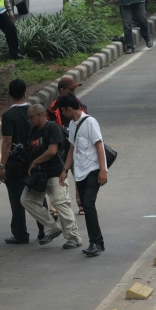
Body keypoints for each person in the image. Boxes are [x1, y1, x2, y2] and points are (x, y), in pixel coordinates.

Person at [20, 104, 82, 249]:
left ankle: (74, 237)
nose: (29, 120)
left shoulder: (52, 128)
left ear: (41, 115)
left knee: (61, 203)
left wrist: (35, 162)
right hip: (38, 176)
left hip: (55, 173)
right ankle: (52, 227)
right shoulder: (33, 131)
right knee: (26, 200)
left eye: (31, 117)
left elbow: (52, 151)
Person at [58, 94, 107, 257]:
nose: (63, 115)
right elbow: (72, 148)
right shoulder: (72, 124)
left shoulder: (90, 122)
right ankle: (96, 242)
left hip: (93, 170)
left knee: (88, 203)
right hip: (80, 173)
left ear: (69, 109)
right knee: (86, 206)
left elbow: (99, 146)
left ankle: (96, 242)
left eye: (63, 111)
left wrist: (102, 170)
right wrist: (65, 169)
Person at [0, 79, 45, 244]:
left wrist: (2, 166)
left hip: (15, 164)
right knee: (38, 195)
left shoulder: (8, 116)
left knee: (17, 198)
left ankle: (21, 233)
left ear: (9, 95)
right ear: (26, 93)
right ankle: (44, 230)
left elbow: (6, 143)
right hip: (35, 160)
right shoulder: (32, 112)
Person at [47, 77, 88, 216]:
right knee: (58, 177)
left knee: (79, 174)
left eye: (74, 90)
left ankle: (82, 203)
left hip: (75, 146)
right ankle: (54, 208)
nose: (73, 93)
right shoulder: (52, 109)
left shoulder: (80, 106)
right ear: (62, 90)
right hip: (60, 148)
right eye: (70, 90)